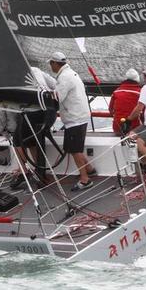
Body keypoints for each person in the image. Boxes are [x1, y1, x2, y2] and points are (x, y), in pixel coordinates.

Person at [49, 51, 94, 191]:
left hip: (74, 118)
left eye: (51, 63)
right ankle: (89, 168)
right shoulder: (71, 73)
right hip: (80, 116)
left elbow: (57, 98)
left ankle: (85, 180)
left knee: (75, 150)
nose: (51, 66)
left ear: (55, 63)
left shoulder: (64, 78)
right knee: (75, 148)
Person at [108, 68, 142, 136]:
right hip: (135, 129)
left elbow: (110, 110)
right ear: (137, 79)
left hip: (117, 129)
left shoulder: (116, 91)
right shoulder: (141, 93)